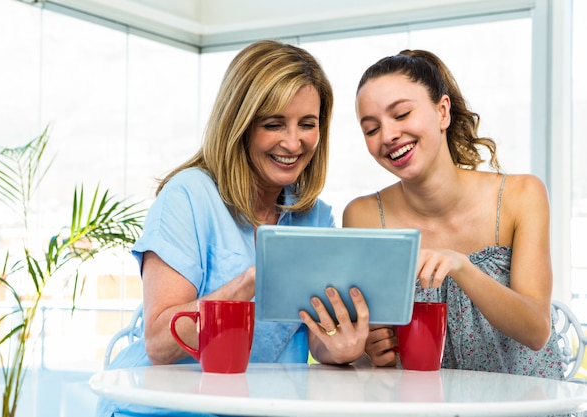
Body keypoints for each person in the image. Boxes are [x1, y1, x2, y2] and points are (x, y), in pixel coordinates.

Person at [97, 39, 370, 417]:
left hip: (253, 407)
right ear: (239, 124)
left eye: (307, 124)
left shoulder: (315, 216)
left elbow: (312, 338)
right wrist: (247, 284)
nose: (293, 142)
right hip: (160, 408)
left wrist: (340, 349)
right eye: (274, 124)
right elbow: (160, 342)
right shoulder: (188, 197)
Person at [343, 49, 565, 378]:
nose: (388, 136)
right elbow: (366, 355)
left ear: (442, 112)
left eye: (401, 114)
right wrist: (370, 350)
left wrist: (461, 266)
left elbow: (536, 331)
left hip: (527, 403)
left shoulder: (521, 196)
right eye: (371, 129)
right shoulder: (363, 217)